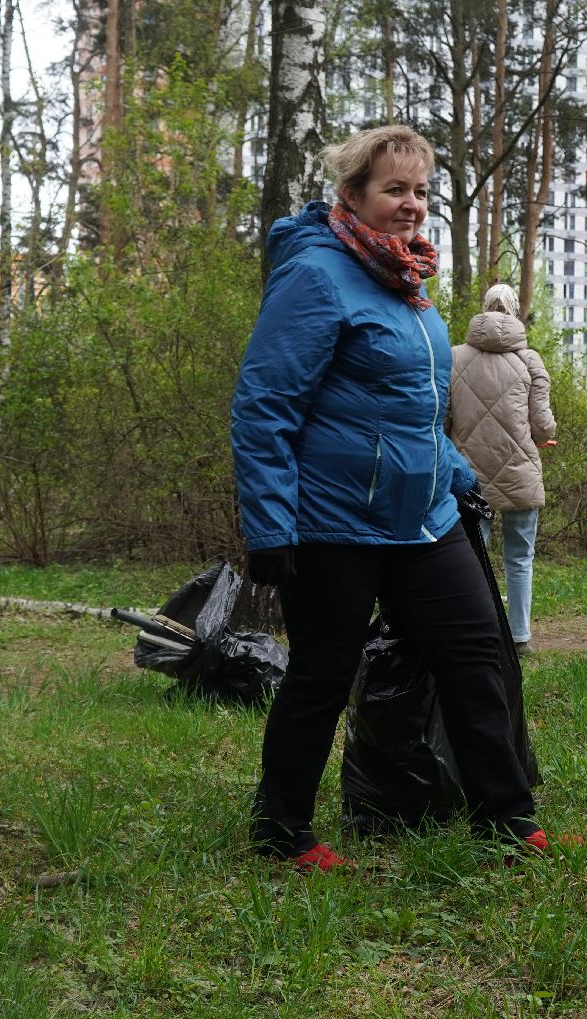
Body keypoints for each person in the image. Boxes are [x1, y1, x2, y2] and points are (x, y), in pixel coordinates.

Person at [231, 125, 557, 872]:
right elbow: (265, 405)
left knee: (476, 654)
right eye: (394, 190)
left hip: (421, 520)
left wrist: (457, 475)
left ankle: (507, 818)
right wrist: (270, 525)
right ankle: (281, 832)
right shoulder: (316, 275)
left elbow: (415, 410)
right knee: (322, 672)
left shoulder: (407, 284)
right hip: (333, 521)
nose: (412, 206)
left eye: (420, 192)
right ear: (352, 195)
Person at [446, 283, 558, 656]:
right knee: (520, 557)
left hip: (468, 478)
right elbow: (543, 427)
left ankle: (476, 635)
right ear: (515, 313)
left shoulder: (454, 358)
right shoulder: (530, 361)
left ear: (483, 309)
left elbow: (442, 422)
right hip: (520, 472)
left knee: (472, 558)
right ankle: (520, 637)